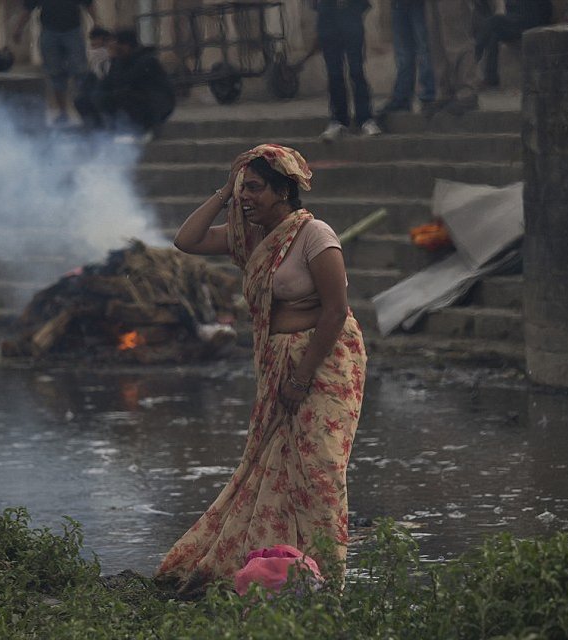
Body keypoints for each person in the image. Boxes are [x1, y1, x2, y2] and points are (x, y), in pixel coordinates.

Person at [156, 144, 368, 597]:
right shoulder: (251, 238)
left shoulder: (314, 235)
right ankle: (283, 572)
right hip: (276, 361)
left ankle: (329, 580)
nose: (245, 198)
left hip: (325, 361)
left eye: (253, 188)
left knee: (321, 467)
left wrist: (302, 377)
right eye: (242, 189)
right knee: (273, 465)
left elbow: (335, 311)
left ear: (283, 191)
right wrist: (224, 192)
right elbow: (186, 240)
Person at [13, 0, 98, 125]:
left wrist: (97, 24)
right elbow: (28, 8)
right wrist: (19, 28)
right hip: (50, 32)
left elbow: (88, 4)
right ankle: (62, 112)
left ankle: (86, 111)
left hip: (73, 31)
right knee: (55, 73)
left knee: (80, 72)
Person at [311, 0, 382, 141]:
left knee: (356, 70)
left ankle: (365, 119)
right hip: (327, 15)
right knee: (334, 72)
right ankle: (338, 119)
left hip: (350, 11)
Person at [93, 29, 175, 137]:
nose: (113, 48)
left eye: (117, 45)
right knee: (96, 96)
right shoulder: (120, 60)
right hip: (139, 98)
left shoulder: (147, 60)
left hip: (157, 103)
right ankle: (104, 131)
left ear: (126, 45)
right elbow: (108, 82)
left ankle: (146, 128)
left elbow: (125, 80)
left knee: (122, 96)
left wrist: (114, 59)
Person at [473, 0, 552, 89]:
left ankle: (474, 55)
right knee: (494, 34)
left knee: (493, 21)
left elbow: (538, 13)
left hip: (531, 22)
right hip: (519, 21)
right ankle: (491, 79)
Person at [379, 0, 436, 117]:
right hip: (398, 4)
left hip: (419, 4)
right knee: (403, 54)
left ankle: (428, 96)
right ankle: (402, 97)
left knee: (424, 50)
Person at [74, 27, 112, 129]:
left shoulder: (106, 53)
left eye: (96, 39)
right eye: (93, 39)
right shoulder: (92, 53)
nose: (93, 42)